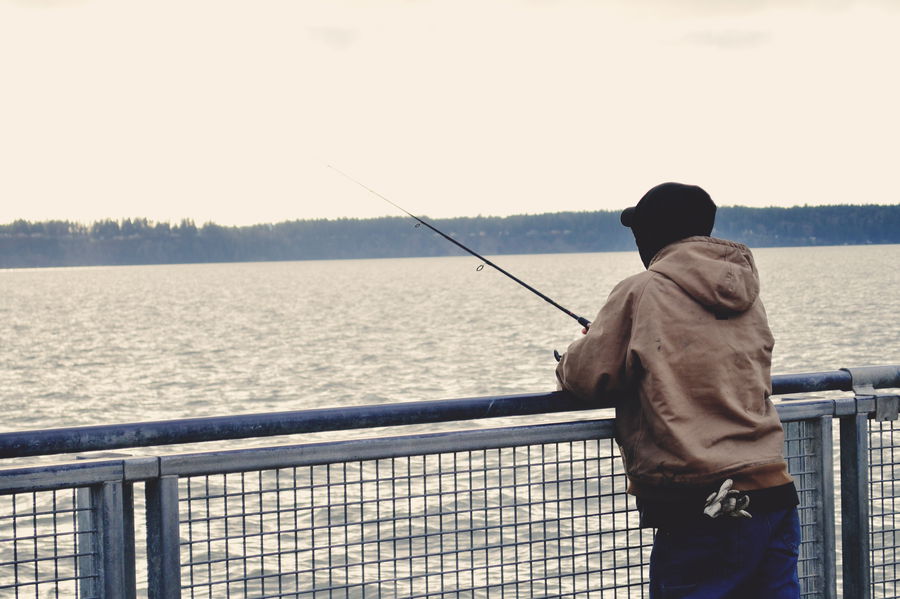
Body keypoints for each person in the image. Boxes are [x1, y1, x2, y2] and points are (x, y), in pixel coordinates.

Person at [555, 182, 800, 598]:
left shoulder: (642, 289)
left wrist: (576, 353)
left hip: (702, 504)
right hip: (772, 494)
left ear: (651, 233)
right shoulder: (744, 291)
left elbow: (587, 378)